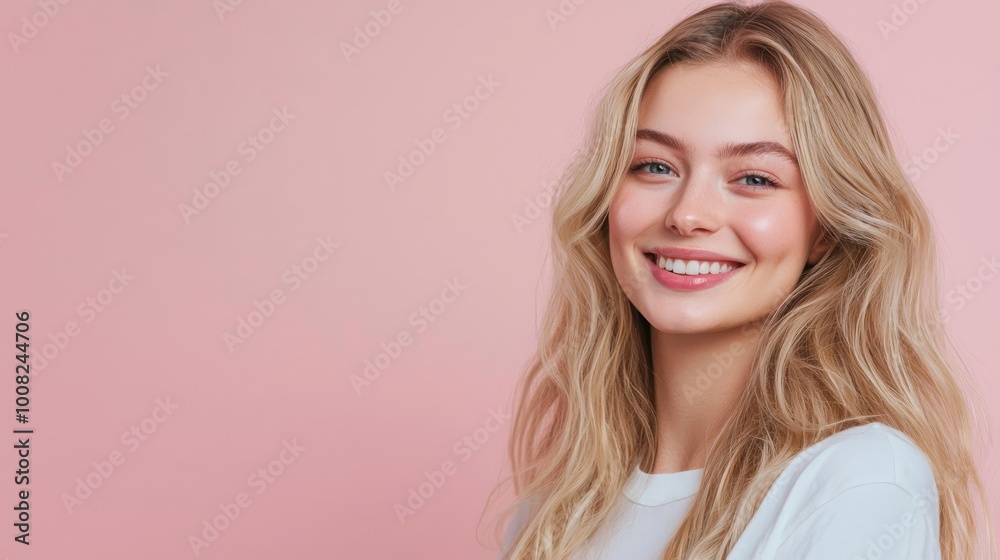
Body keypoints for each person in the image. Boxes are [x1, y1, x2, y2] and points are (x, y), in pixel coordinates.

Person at [492, 1, 994, 559]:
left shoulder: (859, 481)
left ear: (826, 227)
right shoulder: (552, 516)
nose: (688, 215)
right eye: (654, 166)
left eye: (754, 177)